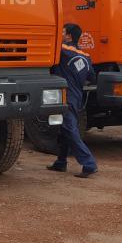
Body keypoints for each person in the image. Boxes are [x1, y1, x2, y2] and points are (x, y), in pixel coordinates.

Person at [47, 23, 98, 178]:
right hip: (77, 95)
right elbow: (91, 78)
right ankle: (61, 162)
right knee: (65, 129)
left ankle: (89, 164)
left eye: (62, 32)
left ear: (68, 35)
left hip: (66, 95)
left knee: (69, 129)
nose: (60, 34)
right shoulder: (86, 56)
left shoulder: (61, 50)